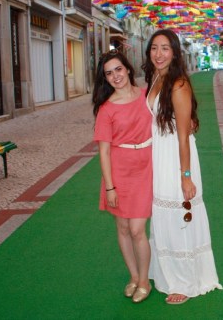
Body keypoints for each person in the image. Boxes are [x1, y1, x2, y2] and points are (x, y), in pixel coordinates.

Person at [143, 29, 223, 305]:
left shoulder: (178, 85)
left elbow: (183, 136)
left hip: (176, 157)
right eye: (154, 48)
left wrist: (186, 176)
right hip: (159, 155)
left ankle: (186, 281)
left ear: (175, 53)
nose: (159, 54)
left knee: (180, 213)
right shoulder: (156, 78)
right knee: (164, 214)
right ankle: (167, 273)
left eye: (165, 48)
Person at [92, 49, 153, 304]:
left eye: (118, 69)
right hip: (119, 171)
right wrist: (110, 187)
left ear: (128, 69)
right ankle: (134, 276)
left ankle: (145, 280)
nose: (115, 76)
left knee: (137, 229)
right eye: (109, 73)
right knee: (123, 228)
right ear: (105, 79)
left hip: (146, 166)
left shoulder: (147, 94)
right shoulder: (106, 109)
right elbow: (104, 151)